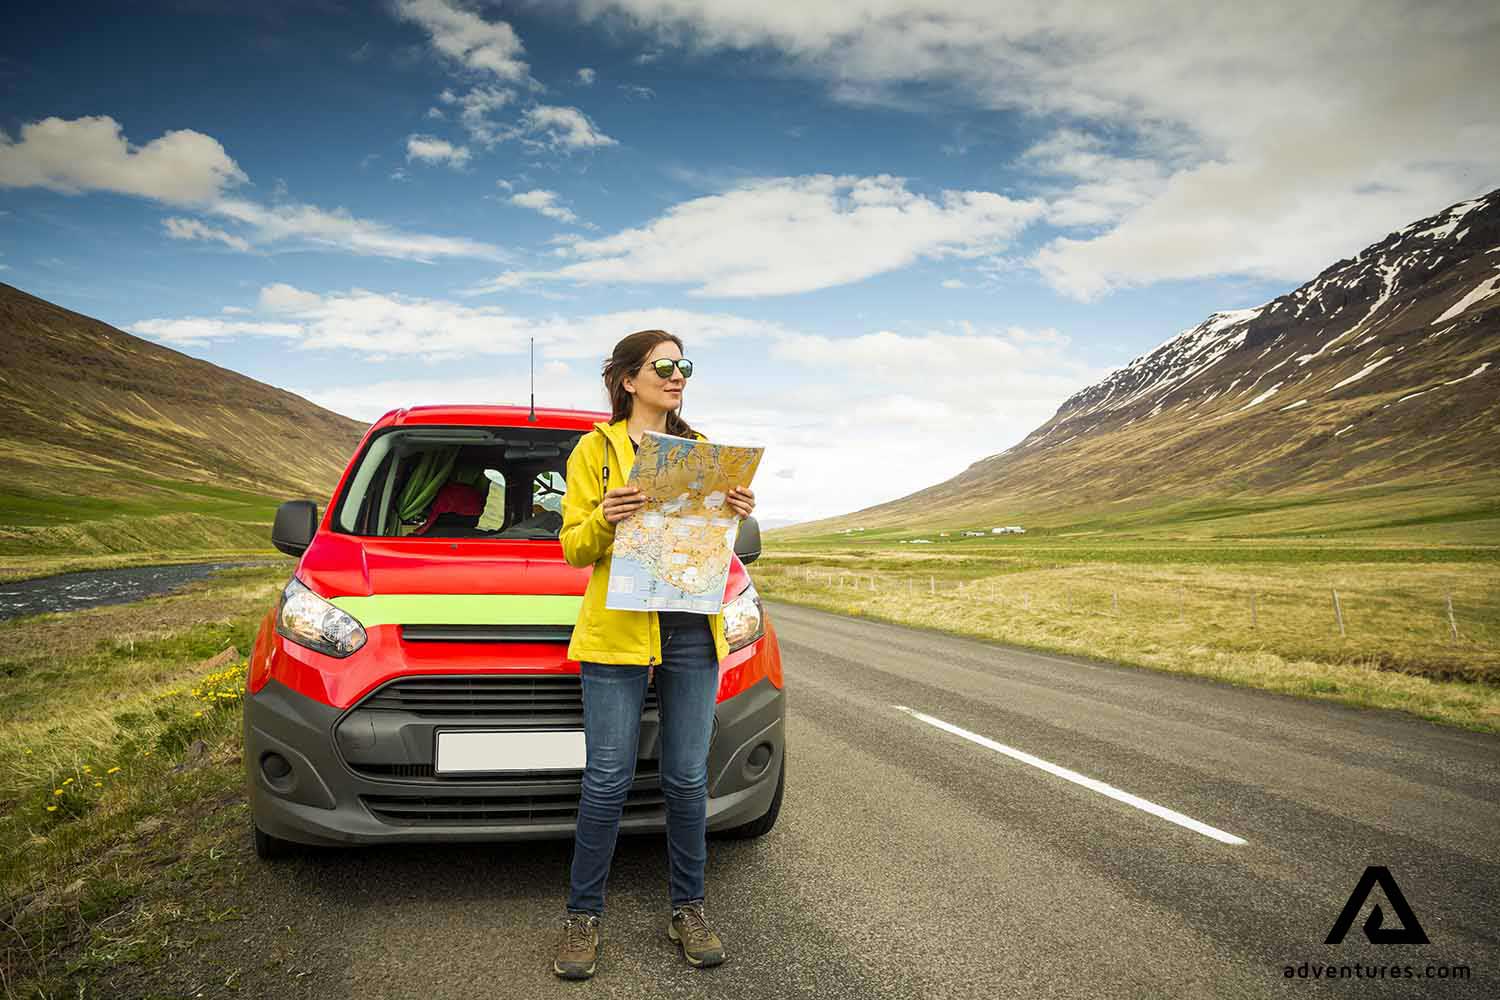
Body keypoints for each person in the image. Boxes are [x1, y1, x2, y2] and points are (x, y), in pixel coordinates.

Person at [553, 329, 755, 980]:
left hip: (691, 629)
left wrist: (736, 514)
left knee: (687, 778)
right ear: (628, 380)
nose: (676, 375)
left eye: (682, 365)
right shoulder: (595, 451)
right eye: (662, 365)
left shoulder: (698, 453)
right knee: (608, 780)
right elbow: (574, 548)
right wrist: (604, 519)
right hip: (616, 630)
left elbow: (710, 548)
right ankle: (583, 920)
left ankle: (688, 910)